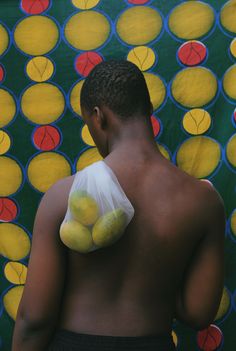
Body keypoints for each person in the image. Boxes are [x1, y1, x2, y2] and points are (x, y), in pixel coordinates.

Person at [12, 60, 225, 351]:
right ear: (148, 110)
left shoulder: (63, 196)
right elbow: (198, 313)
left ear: (98, 118)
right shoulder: (203, 201)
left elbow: (35, 319)